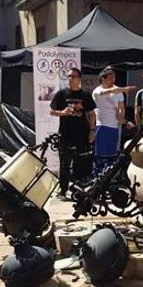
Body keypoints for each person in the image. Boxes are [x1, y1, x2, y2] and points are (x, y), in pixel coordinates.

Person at [50, 67, 96, 197]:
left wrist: (92, 131)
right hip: (65, 134)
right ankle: (63, 190)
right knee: (64, 163)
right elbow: (52, 111)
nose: (70, 79)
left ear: (79, 79)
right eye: (69, 76)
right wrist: (62, 112)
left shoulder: (85, 95)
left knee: (80, 163)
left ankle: (79, 189)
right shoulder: (61, 94)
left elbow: (91, 114)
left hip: (81, 134)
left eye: (73, 76)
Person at [91, 67, 134, 174]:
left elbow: (121, 107)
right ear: (103, 79)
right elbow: (110, 91)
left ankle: (110, 180)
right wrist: (124, 89)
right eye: (110, 78)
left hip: (114, 128)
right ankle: (96, 178)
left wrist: (121, 118)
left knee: (112, 155)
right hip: (102, 126)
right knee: (100, 156)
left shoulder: (117, 90)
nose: (113, 81)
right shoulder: (98, 91)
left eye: (114, 78)